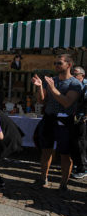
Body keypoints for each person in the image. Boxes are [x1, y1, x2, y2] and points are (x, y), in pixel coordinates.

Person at [31, 54, 82, 194]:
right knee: (45, 150)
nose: (56, 65)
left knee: (65, 154)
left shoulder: (75, 83)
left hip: (65, 122)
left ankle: (63, 184)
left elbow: (66, 102)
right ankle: (43, 179)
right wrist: (40, 87)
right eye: (55, 63)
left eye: (59, 63)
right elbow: (41, 101)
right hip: (49, 119)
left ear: (69, 65)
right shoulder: (51, 80)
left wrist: (53, 89)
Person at [71, 66, 87, 179]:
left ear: (82, 75)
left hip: (83, 118)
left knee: (81, 143)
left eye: (75, 74)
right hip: (75, 117)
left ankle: (83, 168)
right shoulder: (75, 86)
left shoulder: (85, 86)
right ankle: (78, 165)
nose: (73, 76)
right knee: (76, 142)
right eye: (72, 73)